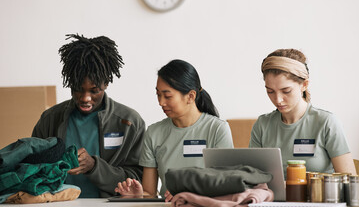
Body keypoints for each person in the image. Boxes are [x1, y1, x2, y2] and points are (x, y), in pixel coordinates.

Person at [32, 34, 146, 198]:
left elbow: (139, 180)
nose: (85, 98)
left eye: (94, 91)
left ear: (106, 83)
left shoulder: (129, 122)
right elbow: (31, 170)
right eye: (78, 88)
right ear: (70, 84)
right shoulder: (50, 119)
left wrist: (94, 167)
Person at [115, 59, 234, 201]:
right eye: (158, 94)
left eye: (167, 96)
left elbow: (227, 187)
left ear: (191, 96)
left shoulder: (217, 129)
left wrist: (192, 193)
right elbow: (150, 192)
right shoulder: (154, 133)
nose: (161, 102)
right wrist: (137, 196)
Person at [249, 48, 356, 175]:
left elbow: (349, 180)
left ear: (304, 85)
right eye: (270, 91)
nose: (278, 99)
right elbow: (252, 176)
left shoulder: (327, 122)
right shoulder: (262, 125)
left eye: (286, 91)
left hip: (318, 195)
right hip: (273, 195)